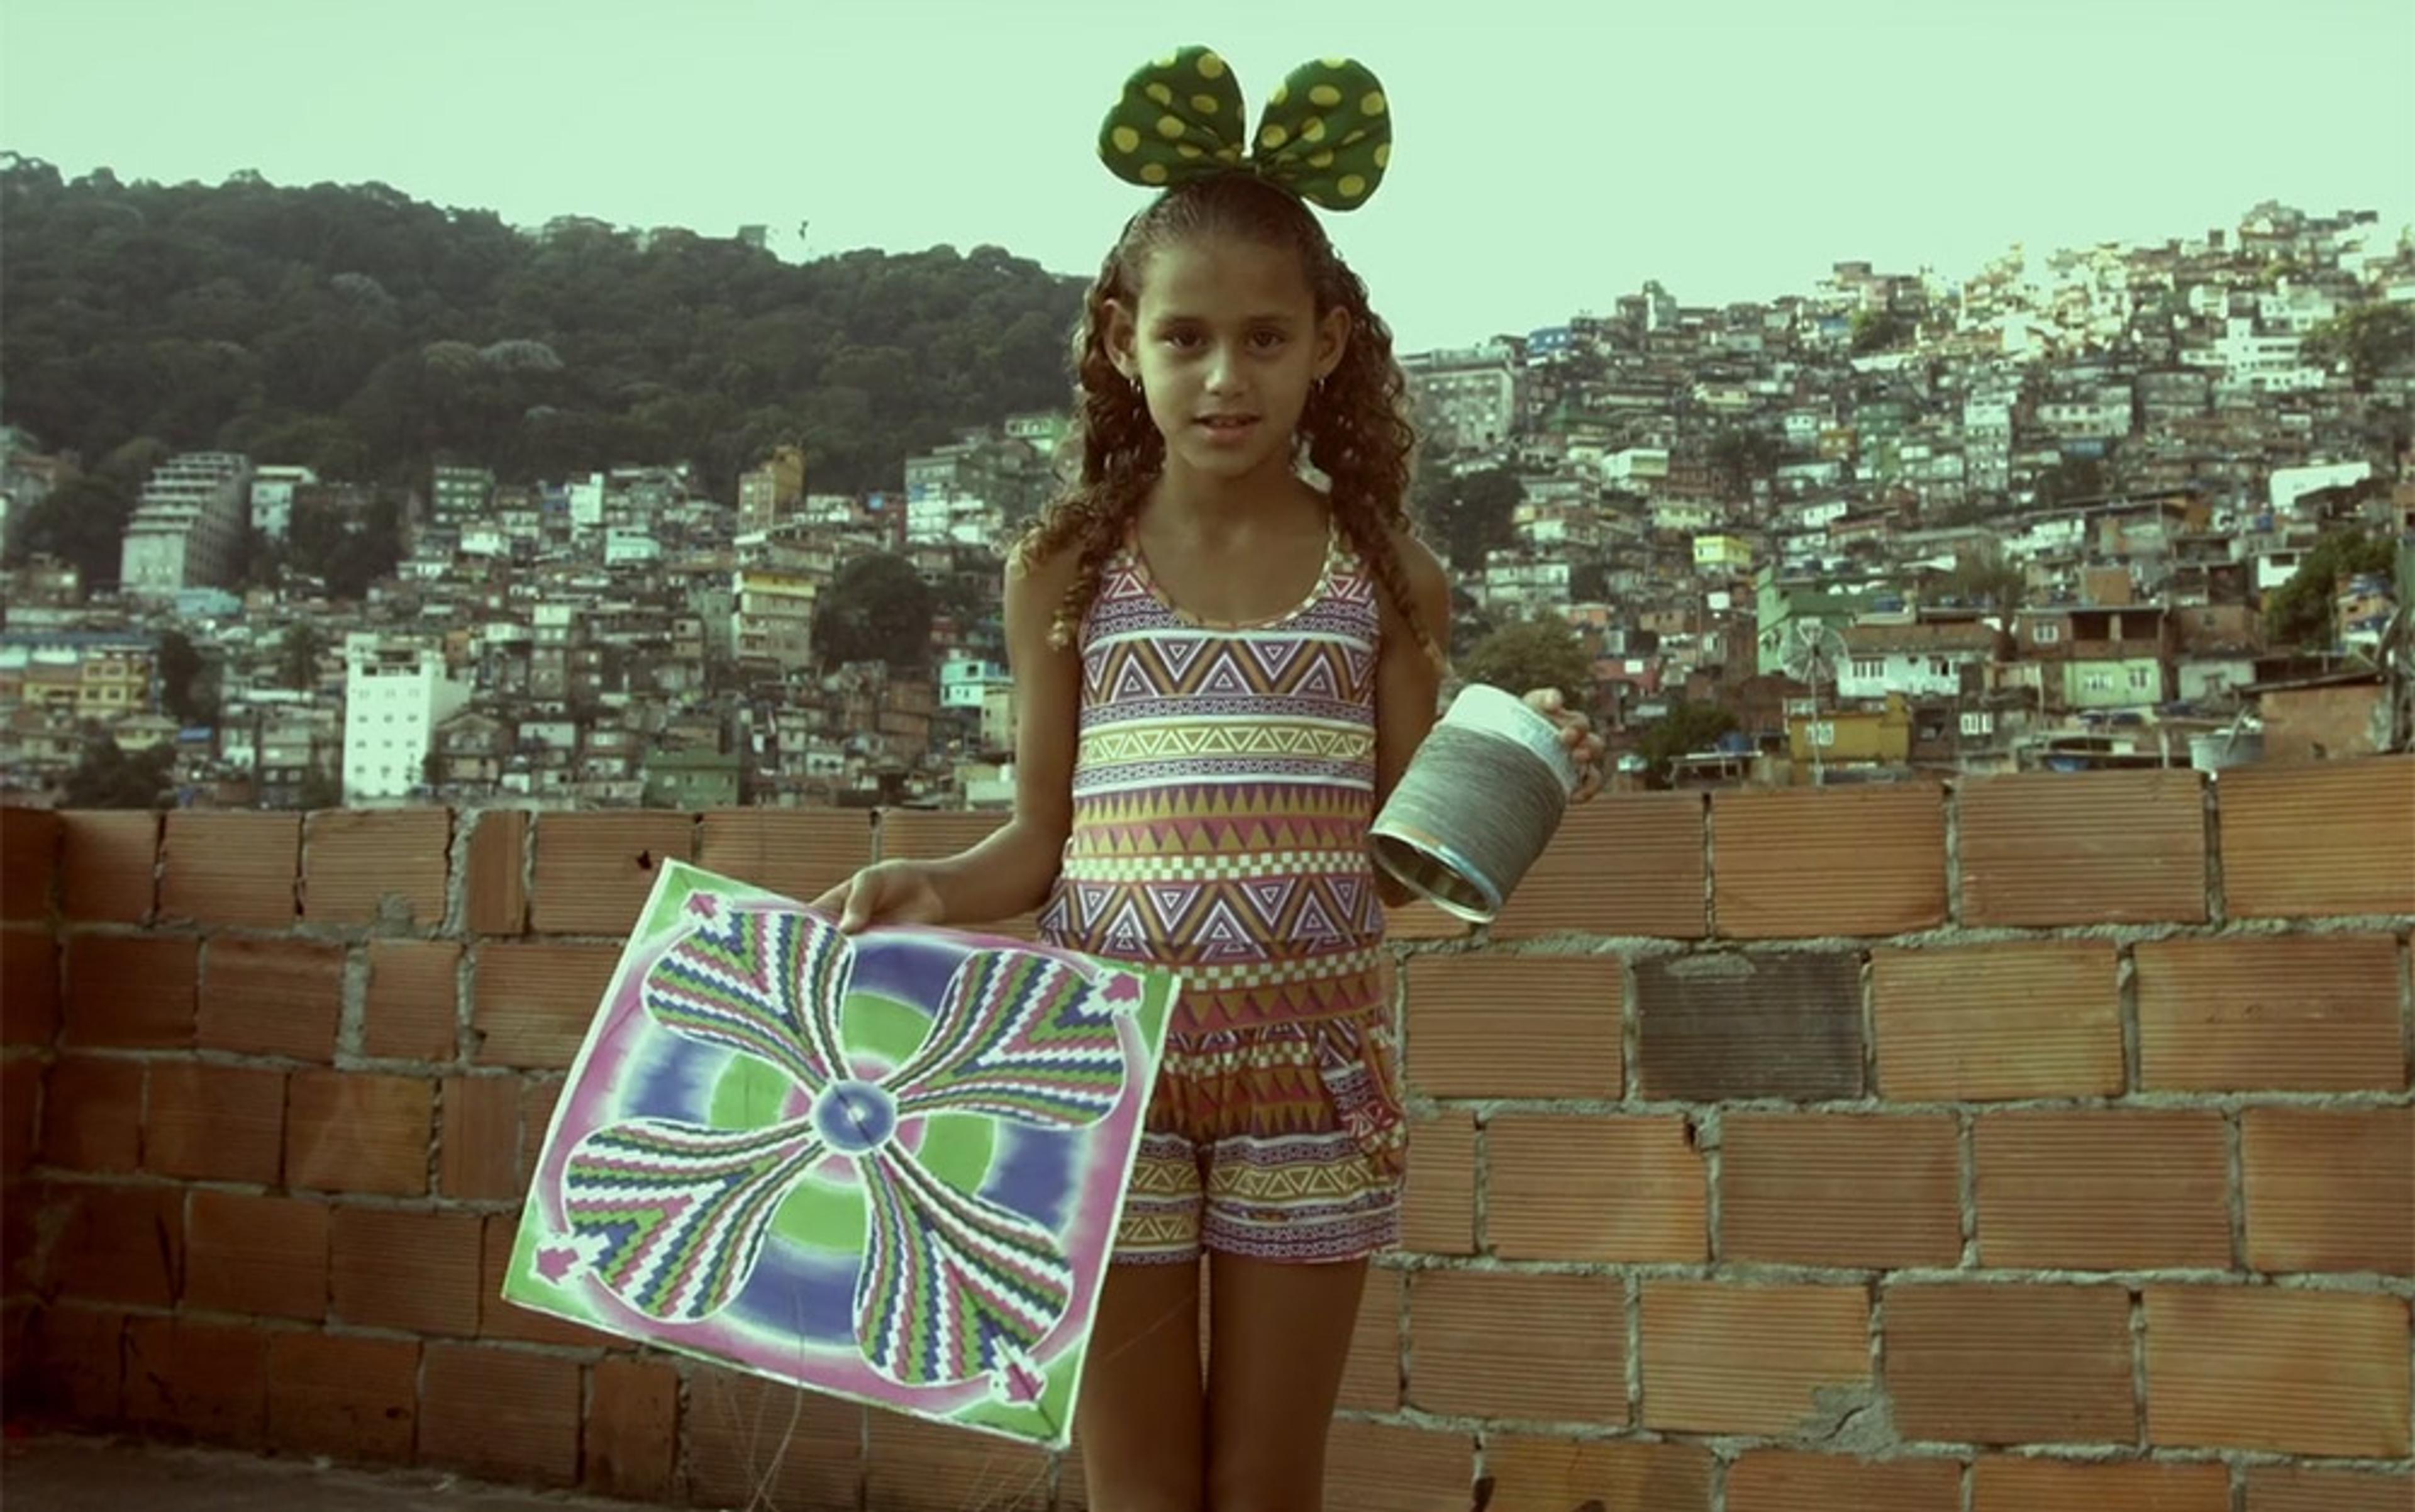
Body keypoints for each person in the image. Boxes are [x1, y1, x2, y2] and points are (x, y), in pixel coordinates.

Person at [814, 45, 1602, 1512]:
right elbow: (1040, 839)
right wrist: (933, 884)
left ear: (1330, 345)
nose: (1225, 375)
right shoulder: (1064, 570)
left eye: (1263, 336)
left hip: (1315, 1078)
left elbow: (1398, 857)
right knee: (1139, 1481)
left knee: (1263, 1480)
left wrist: (1523, 772)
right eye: (1187, 338)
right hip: (1104, 1069)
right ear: (1123, 343)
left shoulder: (1388, 574)